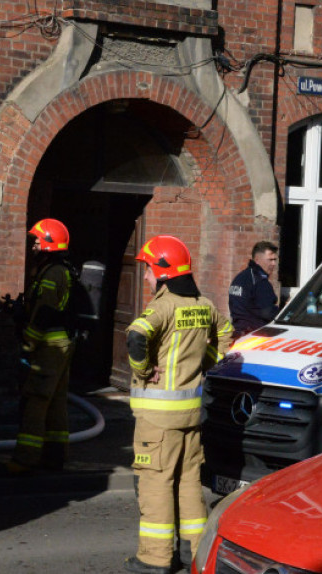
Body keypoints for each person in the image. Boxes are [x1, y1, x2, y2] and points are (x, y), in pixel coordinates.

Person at [124, 235, 233, 574]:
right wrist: (207, 362)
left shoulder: (163, 306)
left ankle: (154, 558)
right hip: (190, 414)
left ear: (164, 272)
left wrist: (144, 369)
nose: (145, 276)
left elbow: (136, 336)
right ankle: (194, 552)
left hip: (158, 420)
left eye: (148, 269)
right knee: (188, 482)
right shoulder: (203, 304)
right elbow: (226, 333)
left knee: (155, 482)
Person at [0, 218, 78, 476]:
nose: (33, 245)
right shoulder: (54, 269)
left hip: (49, 346)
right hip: (59, 343)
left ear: (48, 244)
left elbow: (44, 312)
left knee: (36, 398)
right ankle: (55, 456)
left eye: (37, 241)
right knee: (55, 400)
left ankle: (25, 459)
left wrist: (28, 343)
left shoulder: (53, 273)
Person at [228, 241, 279, 336]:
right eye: (270, 260)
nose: (274, 263)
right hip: (255, 335)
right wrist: (283, 311)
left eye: (275, 260)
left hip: (237, 333)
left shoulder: (239, 278)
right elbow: (268, 313)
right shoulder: (260, 282)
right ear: (257, 260)